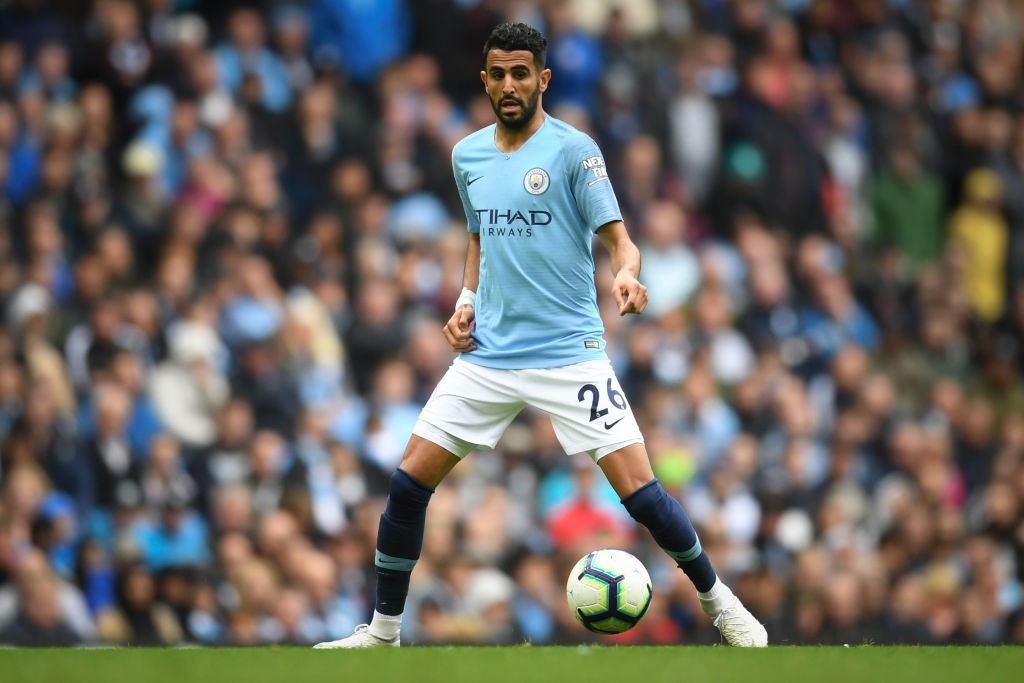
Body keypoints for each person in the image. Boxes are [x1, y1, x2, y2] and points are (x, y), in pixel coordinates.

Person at [314, 22, 767, 649]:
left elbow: (618, 238)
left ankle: (723, 606)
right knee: (407, 484)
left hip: (568, 354)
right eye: (497, 74)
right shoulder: (466, 154)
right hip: (489, 355)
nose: (508, 84)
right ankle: (384, 632)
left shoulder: (574, 151)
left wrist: (628, 278)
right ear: (484, 80)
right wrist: (465, 300)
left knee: (642, 495)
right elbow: (480, 238)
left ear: (542, 79)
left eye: (520, 73)